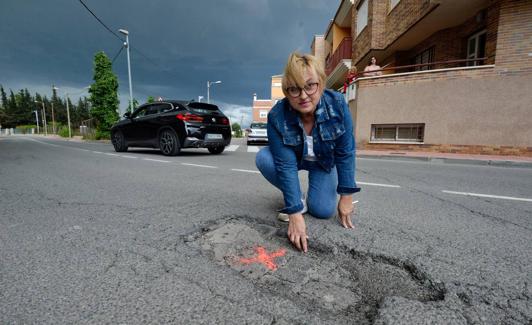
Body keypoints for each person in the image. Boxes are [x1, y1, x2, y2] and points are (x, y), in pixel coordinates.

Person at [255, 52, 361, 253]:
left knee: (323, 211)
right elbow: (285, 165)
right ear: (287, 92)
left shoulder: (338, 104)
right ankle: (297, 198)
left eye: (310, 85)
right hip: (294, 159)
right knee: (263, 158)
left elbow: (345, 152)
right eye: (294, 89)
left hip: (324, 163)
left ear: (321, 83)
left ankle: (308, 196)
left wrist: (346, 195)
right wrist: (295, 212)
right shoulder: (277, 116)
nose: (303, 96)